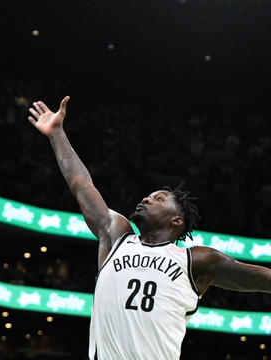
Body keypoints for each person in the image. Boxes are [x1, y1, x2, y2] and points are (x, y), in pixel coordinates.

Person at [27, 97, 271, 359]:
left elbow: (263, 279)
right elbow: (82, 185)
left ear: (177, 220)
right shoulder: (116, 235)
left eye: (159, 199)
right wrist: (57, 134)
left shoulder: (195, 260)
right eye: (148, 196)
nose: (146, 199)